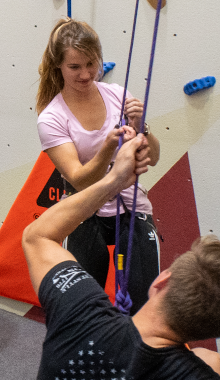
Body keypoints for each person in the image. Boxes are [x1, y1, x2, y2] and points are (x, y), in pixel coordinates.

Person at [23, 132, 220, 379]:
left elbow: (38, 236)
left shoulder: (80, 310)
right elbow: (213, 361)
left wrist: (113, 180)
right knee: (214, 359)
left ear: (162, 281)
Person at [36, 18, 162, 314]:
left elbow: (153, 157)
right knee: (83, 308)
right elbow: (79, 180)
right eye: (75, 67)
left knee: (144, 306)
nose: (86, 74)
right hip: (83, 208)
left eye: (91, 64)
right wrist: (108, 147)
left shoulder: (119, 96)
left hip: (130, 206)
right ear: (59, 67)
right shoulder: (52, 118)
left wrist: (142, 129)